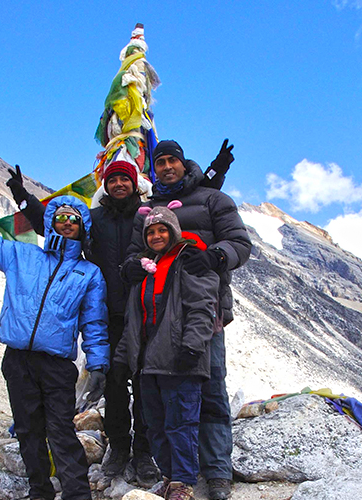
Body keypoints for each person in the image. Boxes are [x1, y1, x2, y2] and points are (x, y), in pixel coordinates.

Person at [6, 164, 163, 483]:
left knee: (147, 386)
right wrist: (23, 196)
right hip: (107, 317)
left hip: (146, 313)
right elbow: (54, 225)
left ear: (135, 185)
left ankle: (144, 452)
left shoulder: (148, 216)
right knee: (115, 386)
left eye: (125, 179)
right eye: (113, 179)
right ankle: (119, 447)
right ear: (105, 185)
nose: (119, 183)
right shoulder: (95, 219)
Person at [0, 175, 109, 500]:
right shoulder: (21, 255)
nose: (66, 223)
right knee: (28, 431)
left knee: (60, 433)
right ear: (51, 222)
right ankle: (39, 492)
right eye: (60, 217)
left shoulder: (89, 273)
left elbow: (95, 322)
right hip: (18, 360)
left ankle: (76, 495)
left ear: (82, 226)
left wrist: (98, 364)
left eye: (74, 219)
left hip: (57, 365)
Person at [123, 139, 251, 500]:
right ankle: (180, 475)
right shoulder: (146, 210)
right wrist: (131, 266)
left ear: (182, 163)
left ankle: (217, 473)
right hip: (154, 322)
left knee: (209, 391)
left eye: (172, 161)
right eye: (160, 162)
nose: (166, 167)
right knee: (161, 403)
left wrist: (215, 258)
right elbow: (135, 255)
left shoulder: (213, 200)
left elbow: (239, 242)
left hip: (202, 315)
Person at [114, 202, 219, 500]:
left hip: (180, 361)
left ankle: (184, 482)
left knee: (181, 424)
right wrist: (124, 358)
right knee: (155, 427)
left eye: (163, 230)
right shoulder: (146, 269)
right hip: (148, 364)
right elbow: (134, 320)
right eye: (152, 232)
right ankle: (170, 477)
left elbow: (202, 309)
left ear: (174, 231)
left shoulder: (190, 261)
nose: (157, 236)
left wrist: (192, 347)